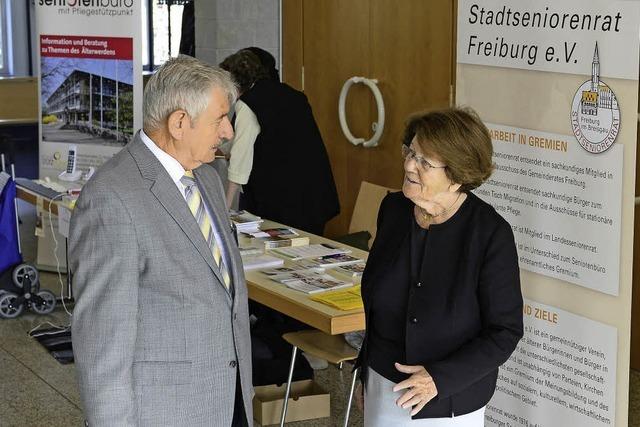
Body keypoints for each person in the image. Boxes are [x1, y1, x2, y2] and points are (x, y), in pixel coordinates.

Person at [69, 55, 252, 427]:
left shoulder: (208, 179)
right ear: (180, 123)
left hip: (225, 400)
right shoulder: (111, 198)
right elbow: (103, 344)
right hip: (165, 411)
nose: (229, 132)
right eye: (221, 119)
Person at [354, 107, 523, 426]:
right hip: (382, 383)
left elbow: (505, 331)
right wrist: (365, 370)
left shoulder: (489, 234)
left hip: (448, 399)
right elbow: (378, 304)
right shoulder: (393, 210)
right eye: (410, 152)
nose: (408, 165)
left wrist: (439, 379)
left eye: (424, 162)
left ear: (457, 176)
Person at [220, 48, 339, 235]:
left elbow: (239, 162)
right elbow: (274, 138)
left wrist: (224, 210)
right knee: (307, 249)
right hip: (315, 193)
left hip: (282, 199)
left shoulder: (249, 103)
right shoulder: (291, 95)